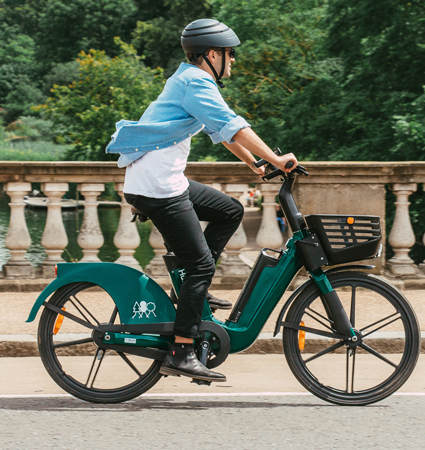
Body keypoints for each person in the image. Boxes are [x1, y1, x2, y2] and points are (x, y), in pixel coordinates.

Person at [105, 18, 297, 383]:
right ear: (212, 55)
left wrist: (255, 163)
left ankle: (193, 291)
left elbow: (221, 131)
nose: (233, 61)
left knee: (230, 210)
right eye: (230, 54)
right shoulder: (194, 81)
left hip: (162, 180)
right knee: (201, 266)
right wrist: (277, 159)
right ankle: (181, 350)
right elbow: (232, 124)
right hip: (158, 186)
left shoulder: (189, 80)